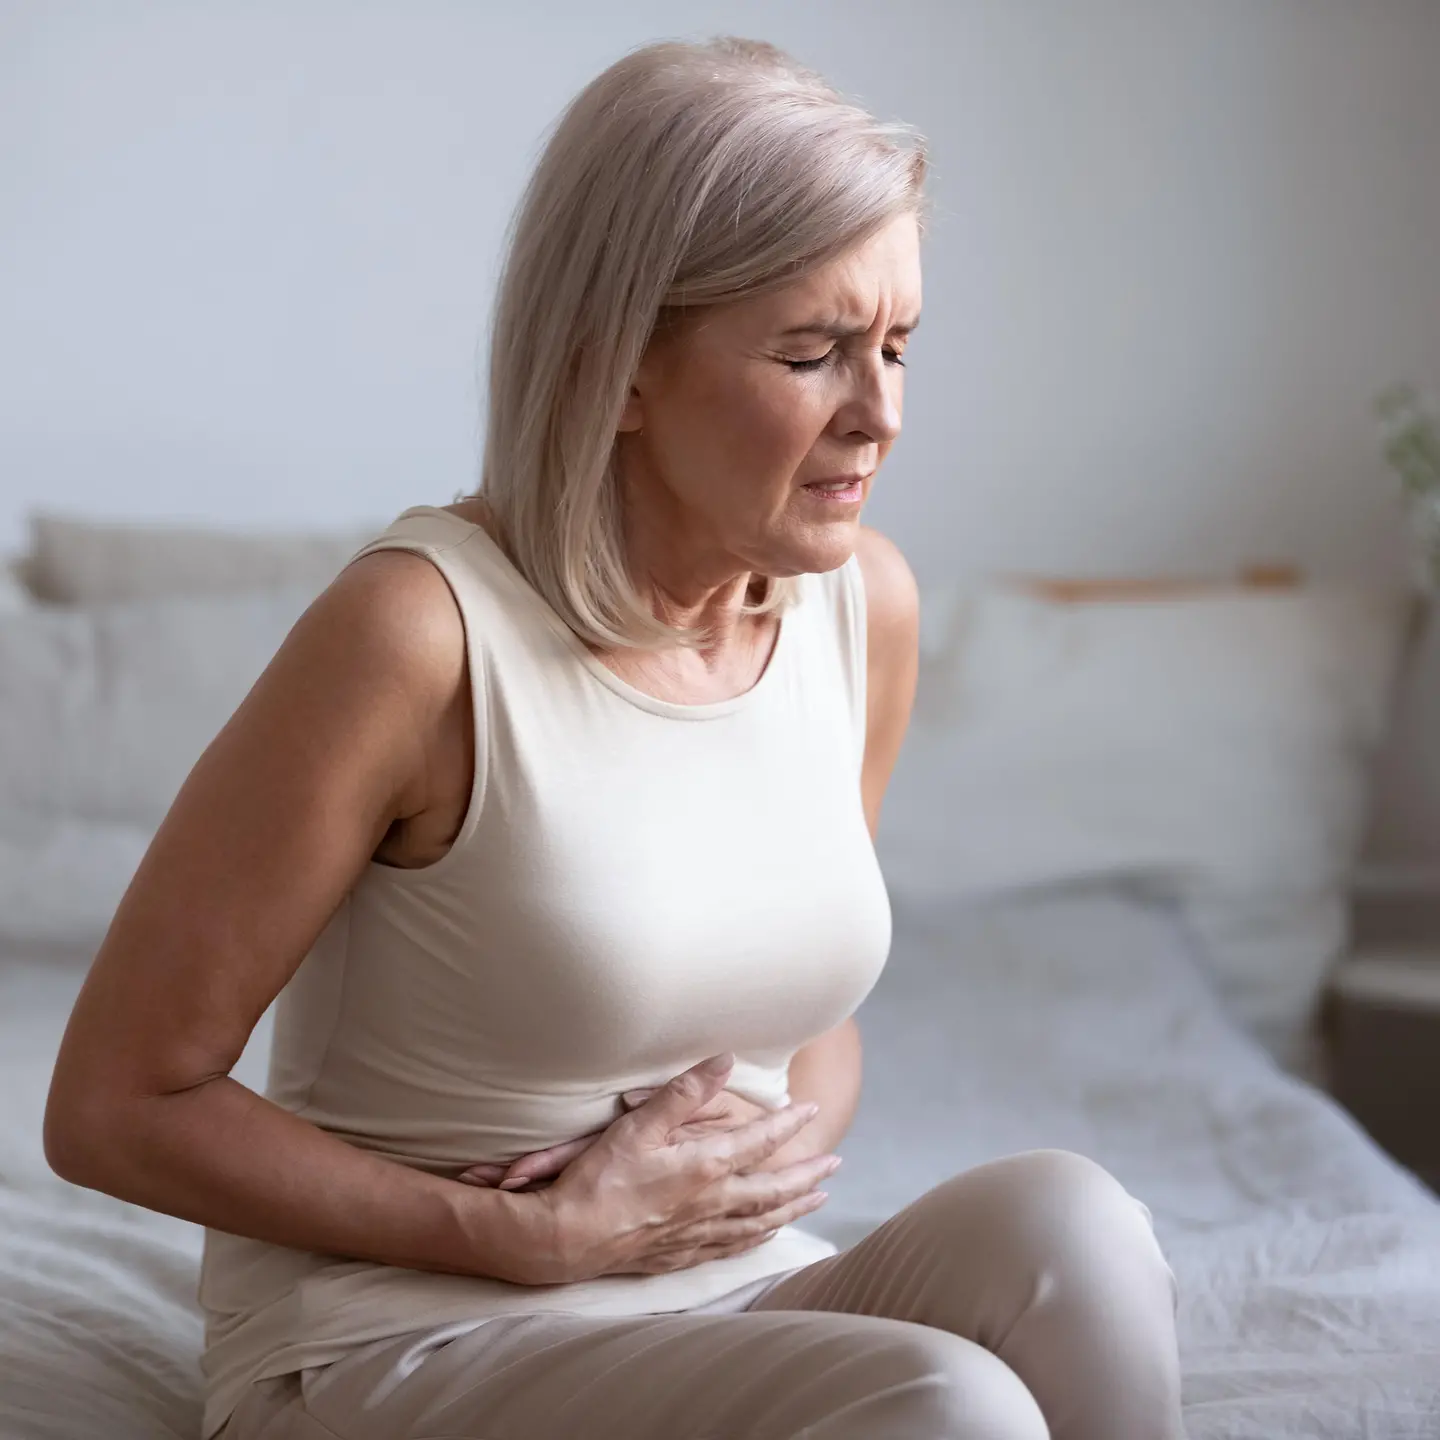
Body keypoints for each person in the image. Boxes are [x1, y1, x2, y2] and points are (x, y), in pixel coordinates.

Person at [44, 34, 1185, 1440]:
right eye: (815, 352)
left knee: (1077, 1225)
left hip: (716, 1292)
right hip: (402, 1338)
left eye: (896, 345)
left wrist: (730, 1184)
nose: (879, 415)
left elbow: (810, 1023)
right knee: (947, 1404)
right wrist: (533, 1238)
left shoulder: (858, 610)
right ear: (618, 367)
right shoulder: (419, 637)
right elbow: (112, 1103)